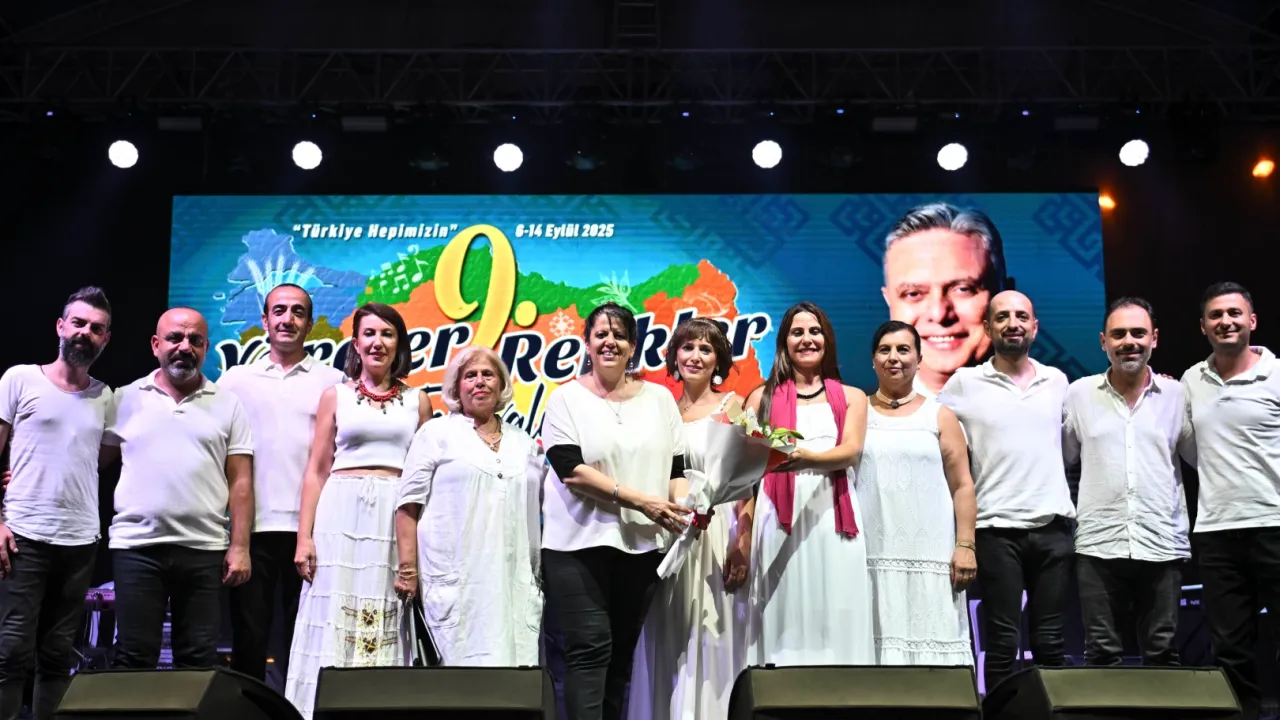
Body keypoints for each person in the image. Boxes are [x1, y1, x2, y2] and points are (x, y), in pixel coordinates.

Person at [541, 302, 691, 720]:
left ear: (633, 346)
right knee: (589, 649)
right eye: (601, 335)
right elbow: (570, 470)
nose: (610, 342)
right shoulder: (566, 399)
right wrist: (641, 501)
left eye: (620, 335)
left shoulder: (660, 399)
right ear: (587, 344)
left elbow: (676, 471)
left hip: (642, 546)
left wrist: (687, 508)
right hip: (577, 546)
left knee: (622, 656)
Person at [285, 302, 432, 720]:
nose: (377, 342)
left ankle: (379, 708)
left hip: (395, 514)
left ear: (399, 343)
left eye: (387, 334)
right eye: (369, 333)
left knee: (387, 606)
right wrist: (304, 537)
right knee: (335, 606)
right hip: (340, 514)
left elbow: (426, 478)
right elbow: (316, 470)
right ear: (356, 342)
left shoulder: (418, 401)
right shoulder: (336, 395)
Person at [937, 291, 1075, 691]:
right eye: (1002, 317)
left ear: (1034, 326)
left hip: (1053, 528)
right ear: (987, 327)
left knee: (1051, 642)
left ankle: (1051, 715)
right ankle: (1000, 713)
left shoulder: (1057, 381)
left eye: (1021, 316)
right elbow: (931, 429)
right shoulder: (965, 383)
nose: (1012, 323)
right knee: (1001, 643)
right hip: (995, 530)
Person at [106, 307, 254, 669]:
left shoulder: (228, 403)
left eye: (195, 340)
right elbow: (88, 463)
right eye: (175, 338)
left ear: (206, 348)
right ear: (155, 344)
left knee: (198, 660)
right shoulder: (123, 398)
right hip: (137, 548)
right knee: (134, 656)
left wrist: (240, 547)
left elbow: (241, 481)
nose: (184, 347)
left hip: (204, 549)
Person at [218, 284, 346, 685]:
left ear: (310, 323)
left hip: (312, 531)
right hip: (251, 530)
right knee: (249, 638)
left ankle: (300, 710)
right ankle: (247, 711)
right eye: (279, 311)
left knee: (304, 638)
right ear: (265, 320)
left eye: (297, 312)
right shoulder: (235, 380)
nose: (287, 319)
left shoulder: (333, 381)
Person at [0, 287, 114, 720]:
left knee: (57, 654)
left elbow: (95, 461)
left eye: (96, 328)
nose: (86, 332)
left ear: (106, 339)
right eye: (79, 323)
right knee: (11, 651)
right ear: (61, 326)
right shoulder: (20, 379)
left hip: (79, 540)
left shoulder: (106, 397)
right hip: (23, 534)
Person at [394, 346, 547, 665]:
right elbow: (408, 506)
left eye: (488, 374)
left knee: (514, 679)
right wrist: (408, 570)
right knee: (458, 677)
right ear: (456, 386)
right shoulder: (435, 434)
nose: (479, 382)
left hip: (513, 584)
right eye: (470, 376)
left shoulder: (525, 444)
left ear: (501, 384)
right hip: (457, 586)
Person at [628, 318, 750, 720]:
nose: (695, 356)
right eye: (688, 347)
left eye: (706, 349)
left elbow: (748, 484)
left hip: (716, 531)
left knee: (714, 628)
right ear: (674, 356)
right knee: (668, 629)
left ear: (719, 360)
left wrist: (742, 540)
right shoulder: (659, 408)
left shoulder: (733, 406)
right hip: (668, 531)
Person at [742, 301, 874, 666]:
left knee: (836, 604)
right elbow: (745, 474)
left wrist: (806, 459)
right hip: (776, 516)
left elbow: (850, 452)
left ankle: (840, 691)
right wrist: (742, 534)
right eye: (797, 332)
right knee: (783, 606)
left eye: (814, 331)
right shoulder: (761, 397)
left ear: (827, 339)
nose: (806, 339)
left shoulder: (852, 397)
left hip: (832, 514)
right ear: (784, 342)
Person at [1064, 297, 1193, 668]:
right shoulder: (1079, 394)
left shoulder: (1177, 395)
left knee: (1162, 654)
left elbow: (1199, 456)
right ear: (1103, 341)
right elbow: (1063, 458)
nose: (1129, 342)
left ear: (1155, 338)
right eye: (1119, 334)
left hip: (1162, 541)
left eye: (1138, 333)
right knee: (1101, 654)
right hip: (1099, 543)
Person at [1181, 282, 1280, 720]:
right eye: (1216, 315)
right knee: (1231, 648)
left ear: (1252, 321)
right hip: (1217, 531)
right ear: (1203, 326)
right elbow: (1189, 447)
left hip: (1274, 524)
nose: (1226, 321)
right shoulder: (1190, 380)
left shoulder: (1277, 374)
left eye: (1234, 313)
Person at [857, 320, 977, 666]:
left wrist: (966, 545)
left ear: (919, 359)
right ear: (873, 360)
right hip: (870, 553)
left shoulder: (940, 415)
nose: (894, 357)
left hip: (931, 554)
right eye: (885, 350)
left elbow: (962, 485)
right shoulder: (856, 413)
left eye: (903, 349)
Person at [881, 203, 1009, 395]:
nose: (939, 314)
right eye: (913, 294)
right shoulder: (854, 413)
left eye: (963, 289)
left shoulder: (1052, 409)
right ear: (889, 302)